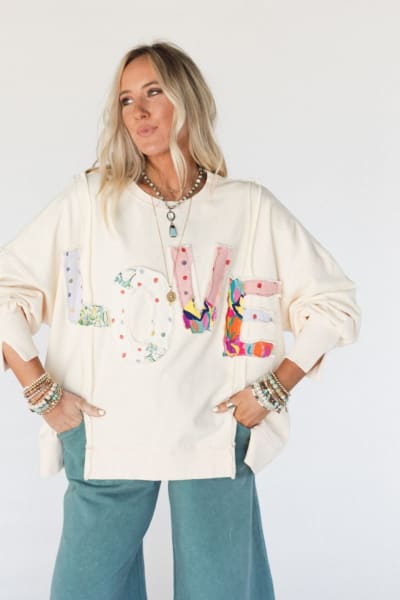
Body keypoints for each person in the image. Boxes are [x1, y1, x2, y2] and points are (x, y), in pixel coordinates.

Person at [0, 41, 361, 600]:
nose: (138, 112)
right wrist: (42, 392)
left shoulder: (248, 207)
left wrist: (272, 390)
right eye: (126, 99)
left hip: (216, 434)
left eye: (154, 92)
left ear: (186, 99)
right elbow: (7, 291)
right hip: (103, 434)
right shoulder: (89, 201)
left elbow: (334, 302)